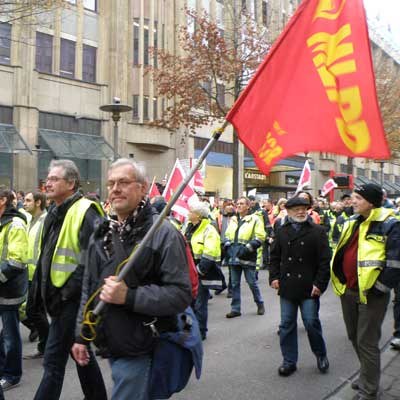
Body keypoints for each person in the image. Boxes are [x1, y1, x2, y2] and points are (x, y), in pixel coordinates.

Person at [72, 158, 192, 400]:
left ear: (143, 187)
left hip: (143, 347)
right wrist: (81, 335)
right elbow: (89, 286)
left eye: (124, 182)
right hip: (111, 342)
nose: (115, 188)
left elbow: (180, 294)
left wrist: (129, 296)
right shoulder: (102, 232)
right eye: (111, 183)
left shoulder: (163, 234)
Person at [32, 160, 107, 400]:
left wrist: (67, 293)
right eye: (48, 178)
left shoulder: (86, 210)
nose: (48, 182)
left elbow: (93, 260)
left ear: (71, 183)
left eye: (55, 179)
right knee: (80, 353)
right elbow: (47, 256)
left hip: (71, 301)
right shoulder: (54, 211)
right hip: (58, 300)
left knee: (53, 362)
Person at [331, 183, 400, 400]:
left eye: (357, 198)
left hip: (372, 294)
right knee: (354, 336)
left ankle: (369, 391)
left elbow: (395, 262)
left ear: (371, 202)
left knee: (367, 341)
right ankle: (366, 376)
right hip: (349, 290)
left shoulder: (390, 224)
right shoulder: (352, 221)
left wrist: (379, 289)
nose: (352, 202)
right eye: (352, 198)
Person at [269, 196, 331, 377]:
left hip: (309, 287)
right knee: (287, 324)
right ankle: (289, 361)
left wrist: (319, 284)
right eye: (296, 209)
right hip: (288, 287)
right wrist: (273, 277)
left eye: (304, 208)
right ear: (288, 211)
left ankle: (321, 355)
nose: (301, 211)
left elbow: (325, 261)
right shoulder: (281, 231)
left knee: (311, 323)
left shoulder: (318, 231)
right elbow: (273, 258)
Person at [0, 188, 28, 392]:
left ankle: (12, 374)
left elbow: (16, 262)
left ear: (2, 201)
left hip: (9, 289)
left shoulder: (15, 224)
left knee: (10, 334)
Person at [184, 202, 222, 340]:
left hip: (201, 271)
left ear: (198, 215)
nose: (188, 213)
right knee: (189, 302)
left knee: (200, 303)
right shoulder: (188, 227)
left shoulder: (209, 229)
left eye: (190, 211)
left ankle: (201, 331)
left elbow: (209, 252)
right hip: (189, 271)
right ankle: (190, 328)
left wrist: (199, 270)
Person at [224, 196, 266, 318]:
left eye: (242, 203)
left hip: (247, 256)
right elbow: (227, 234)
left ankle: (260, 303)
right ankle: (235, 309)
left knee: (252, 282)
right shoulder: (233, 219)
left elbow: (260, 237)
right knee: (235, 283)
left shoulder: (255, 219)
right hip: (234, 255)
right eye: (237, 203)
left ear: (248, 206)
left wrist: (247, 248)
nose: (239, 205)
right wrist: (227, 245)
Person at [22, 192, 49, 359]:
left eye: (28, 200)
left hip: (39, 275)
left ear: (38, 202)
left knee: (33, 311)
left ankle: (48, 344)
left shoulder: (45, 220)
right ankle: (46, 345)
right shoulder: (30, 220)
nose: (24, 203)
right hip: (29, 273)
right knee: (36, 311)